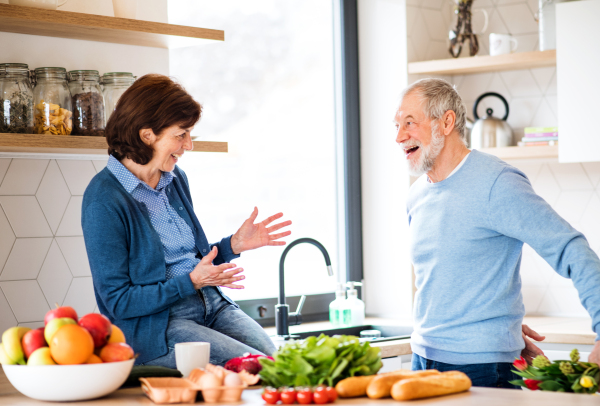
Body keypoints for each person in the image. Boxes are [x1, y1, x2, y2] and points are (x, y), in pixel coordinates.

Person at [394, 78, 600, 388]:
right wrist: (501, 327)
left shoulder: (496, 182)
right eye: (396, 125)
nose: (399, 136)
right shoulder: (417, 195)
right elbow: (447, 278)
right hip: (421, 360)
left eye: (410, 123)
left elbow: (570, 248)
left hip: (481, 368)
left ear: (446, 122)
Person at [82, 74, 291, 367]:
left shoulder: (175, 179)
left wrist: (232, 245)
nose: (188, 145)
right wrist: (190, 282)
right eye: (181, 135)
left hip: (212, 305)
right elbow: (118, 301)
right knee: (256, 367)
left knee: (278, 361)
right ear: (147, 135)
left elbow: (191, 261)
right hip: (158, 325)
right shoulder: (103, 199)